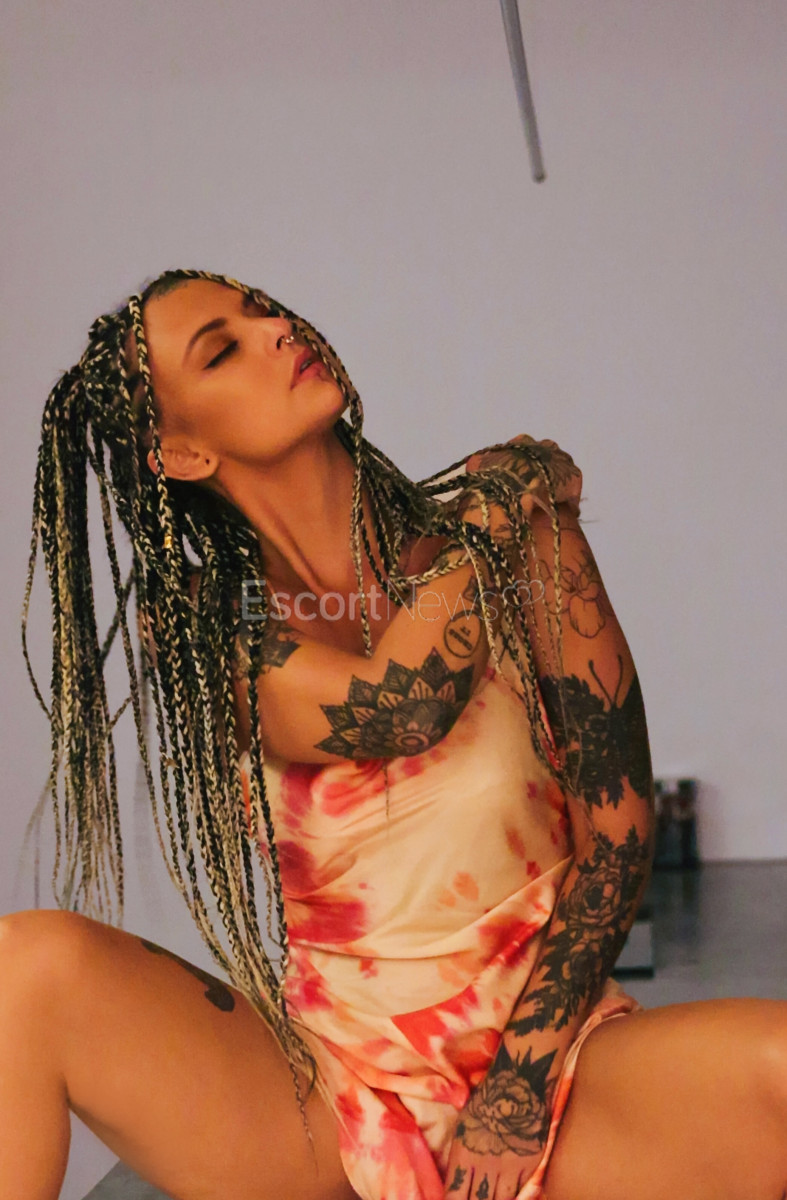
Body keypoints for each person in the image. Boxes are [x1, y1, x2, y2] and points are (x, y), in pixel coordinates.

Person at [7, 268, 786, 1200]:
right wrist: (491, 512)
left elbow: (616, 834)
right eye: (222, 351)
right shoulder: (216, 621)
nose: (277, 331)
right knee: (26, 968)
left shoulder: (525, 544)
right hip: (331, 1093)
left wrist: (518, 1083)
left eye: (263, 309)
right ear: (181, 453)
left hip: (555, 1057)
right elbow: (400, 704)